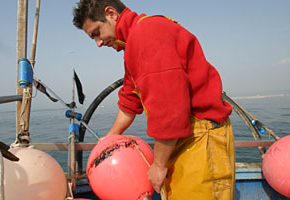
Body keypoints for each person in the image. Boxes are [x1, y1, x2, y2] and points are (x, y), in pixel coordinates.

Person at [73, 0, 235, 199]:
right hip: (180, 139)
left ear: (111, 13)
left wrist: (158, 166)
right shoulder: (134, 43)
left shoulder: (147, 34)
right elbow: (129, 102)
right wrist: (111, 136)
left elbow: (169, 108)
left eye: (96, 33)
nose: (98, 43)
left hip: (200, 139)